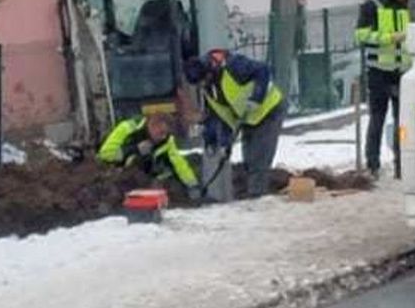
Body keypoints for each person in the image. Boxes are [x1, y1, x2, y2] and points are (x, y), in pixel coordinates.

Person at [183, 48, 286, 200]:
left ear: (210, 69)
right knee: (249, 160)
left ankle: (257, 199)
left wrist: (256, 98)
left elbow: (263, 70)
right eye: (200, 82)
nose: (203, 83)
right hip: (249, 118)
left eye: (204, 79)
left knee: (259, 159)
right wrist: (217, 140)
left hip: (269, 110)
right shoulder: (209, 89)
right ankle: (254, 195)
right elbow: (217, 115)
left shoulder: (234, 66)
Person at [356, 0, 411, 178]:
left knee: (402, 122)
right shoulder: (373, 6)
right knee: (377, 119)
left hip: (404, 72)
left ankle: (401, 166)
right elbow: (361, 36)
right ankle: (373, 165)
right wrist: (389, 38)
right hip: (378, 72)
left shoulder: (411, 6)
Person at [97, 112, 199, 196]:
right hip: (112, 175)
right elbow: (105, 154)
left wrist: (192, 184)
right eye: (161, 132)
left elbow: (179, 163)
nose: (163, 137)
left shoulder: (167, 141)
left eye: (166, 133)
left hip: (142, 180)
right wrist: (134, 149)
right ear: (152, 125)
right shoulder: (127, 128)